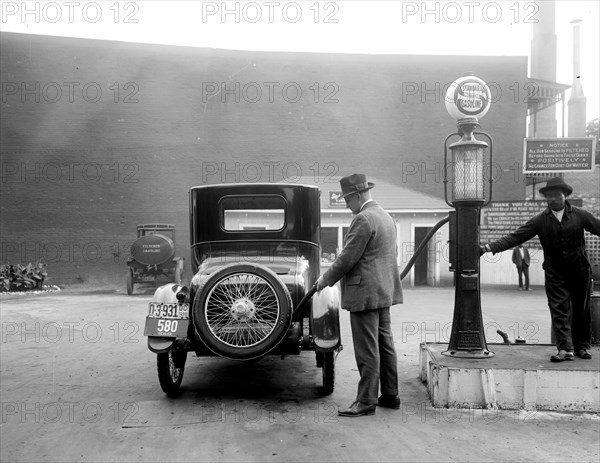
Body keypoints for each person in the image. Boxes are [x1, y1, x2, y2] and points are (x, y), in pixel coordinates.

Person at [480, 177, 600, 362]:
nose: (552, 199)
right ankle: (565, 349)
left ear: (565, 195)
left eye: (556, 195)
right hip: (555, 272)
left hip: (579, 270)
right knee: (559, 309)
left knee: (581, 309)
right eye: (549, 196)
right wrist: (489, 248)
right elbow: (515, 237)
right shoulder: (539, 221)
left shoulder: (580, 215)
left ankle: (582, 347)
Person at [316, 173, 403, 417]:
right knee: (385, 344)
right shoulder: (385, 216)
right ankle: (390, 395)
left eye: (347, 199)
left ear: (356, 196)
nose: (346, 205)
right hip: (384, 291)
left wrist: (324, 280)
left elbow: (347, 258)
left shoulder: (363, 219)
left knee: (367, 350)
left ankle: (365, 401)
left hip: (364, 293)